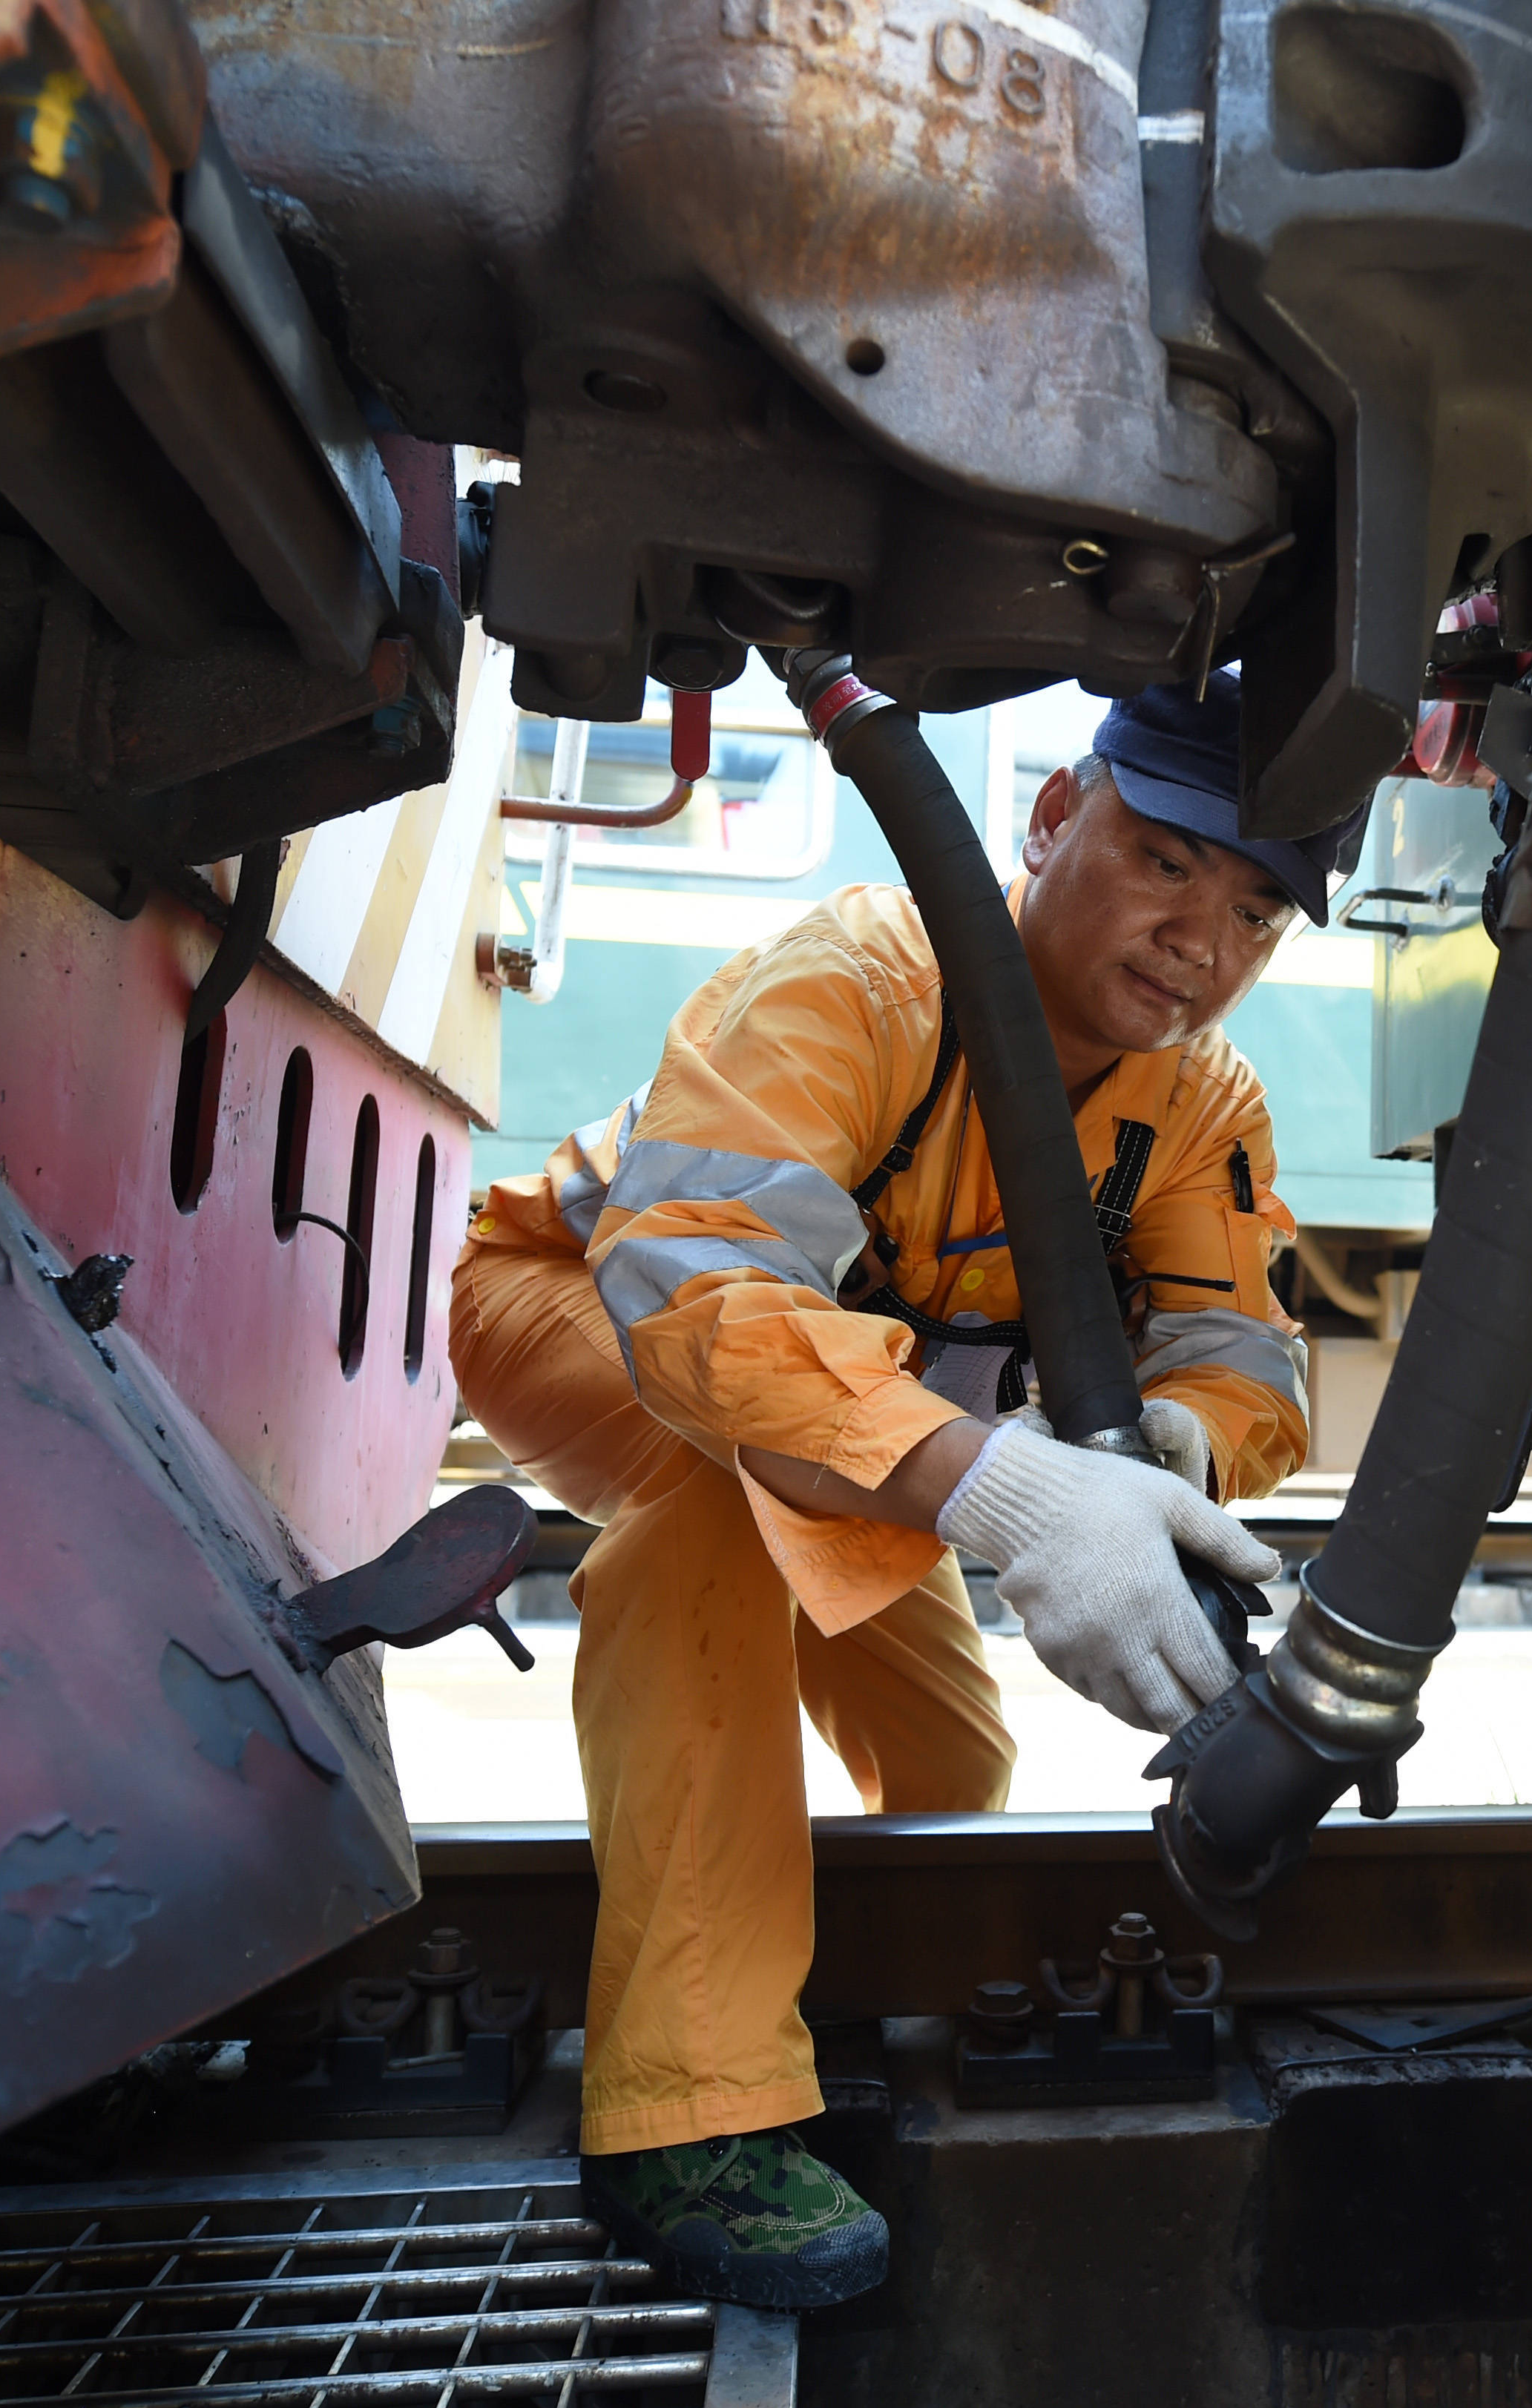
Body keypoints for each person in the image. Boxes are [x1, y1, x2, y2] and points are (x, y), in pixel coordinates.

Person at [448, 673, 1358, 2308]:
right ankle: (685, 2111)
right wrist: (1012, 1501)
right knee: (715, 1525)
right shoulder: (866, 978)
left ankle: (829, 1979)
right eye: (1163, 861)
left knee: (948, 1744)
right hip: (583, 1306)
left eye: (1253, 913)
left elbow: (1246, 1351)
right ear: (1051, 813)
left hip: (847, 1414)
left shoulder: (1201, 1100)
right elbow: (705, 1298)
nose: (1200, 942)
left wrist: (1177, 1451)